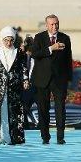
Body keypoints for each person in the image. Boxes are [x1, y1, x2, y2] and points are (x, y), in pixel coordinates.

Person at [32, 14, 73, 144]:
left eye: (56, 24)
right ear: (46, 25)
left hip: (59, 80)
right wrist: (51, 48)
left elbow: (68, 59)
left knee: (60, 109)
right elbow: (35, 54)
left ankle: (60, 138)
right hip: (42, 79)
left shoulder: (65, 38)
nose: (55, 26)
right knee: (43, 109)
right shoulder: (39, 38)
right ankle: (45, 137)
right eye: (52, 24)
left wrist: (68, 78)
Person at [0, 26, 30, 145]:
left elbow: (23, 68)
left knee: (14, 112)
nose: (9, 43)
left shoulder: (18, 52)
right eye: (6, 40)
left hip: (14, 88)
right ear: (2, 39)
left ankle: (14, 138)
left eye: (11, 40)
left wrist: (25, 80)